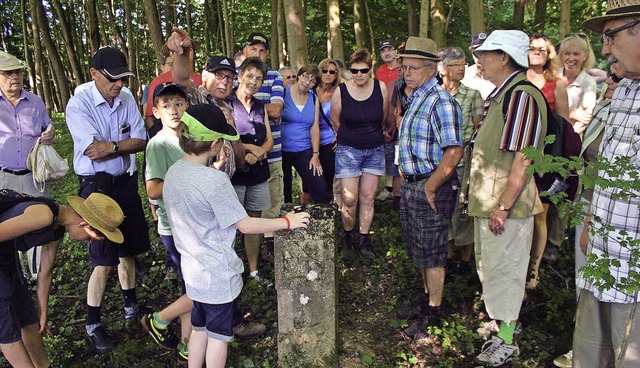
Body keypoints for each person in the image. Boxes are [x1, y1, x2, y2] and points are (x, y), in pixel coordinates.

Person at [163, 103, 310, 368]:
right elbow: (244, 225)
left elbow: (200, 196)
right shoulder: (214, 182)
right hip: (217, 275)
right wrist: (286, 222)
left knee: (199, 329)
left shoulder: (174, 172)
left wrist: (215, 168)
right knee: (219, 337)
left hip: (193, 271)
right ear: (216, 143)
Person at [468, 30, 547, 366]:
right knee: (494, 271)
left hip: (507, 208)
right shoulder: (504, 94)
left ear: (503, 57)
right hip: (492, 204)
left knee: (508, 273)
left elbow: (523, 158)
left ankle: (507, 342)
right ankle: (502, 330)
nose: (479, 60)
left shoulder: (521, 96)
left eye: (485, 54)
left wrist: (502, 206)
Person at [65, 46, 151, 354]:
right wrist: (121, 145)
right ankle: (93, 323)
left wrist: (112, 146)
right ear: (93, 74)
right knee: (102, 255)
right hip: (96, 184)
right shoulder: (79, 104)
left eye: (123, 79)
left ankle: (131, 306)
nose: (118, 85)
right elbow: (92, 150)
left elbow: (141, 140)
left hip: (125, 182)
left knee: (128, 247)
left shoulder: (126, 98)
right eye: (112, 79)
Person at [571, 4, 640, 366]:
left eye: (611, 37)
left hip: (635, 275)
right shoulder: (625, 90)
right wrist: (588, 225)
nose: (607, 48)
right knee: (591, 354)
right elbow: (603, 166)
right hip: (602, 254)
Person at [0, 189, 124, 368]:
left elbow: (45, 271)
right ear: (85, 225)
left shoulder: (56, 226)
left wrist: (42, 312)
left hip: (6, 257)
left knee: (27, 315)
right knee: (5, 320)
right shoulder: (43, 215)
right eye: (90, 240)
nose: (86, 242)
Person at [395, 37, 464, 339]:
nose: (406, 73)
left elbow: (454, 151)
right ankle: (426, 301)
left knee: (433, 252)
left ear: (432, 68)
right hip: (413, 183)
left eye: (412, 68)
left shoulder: (440, 101)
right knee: (418, 248)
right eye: (404, 67)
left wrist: (432, 187)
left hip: (431, 185)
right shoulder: (415, 98)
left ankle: (434, 312)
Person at [552, 69, 621, 368]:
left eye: (616, 78)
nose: (610, 83)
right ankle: (587, 349)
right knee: (587, 280)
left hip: (614, 212)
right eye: (611, 77)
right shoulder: (607, 107)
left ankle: (613, 351)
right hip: (588, 201)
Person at [142, 82, 191, 364]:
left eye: (178, 104)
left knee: (190, 285)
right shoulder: (158, 143)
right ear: (156, 111)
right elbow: (152, 189)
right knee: (199, 287)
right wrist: (189, 178)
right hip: (175, 226)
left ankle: (186, 342)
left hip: (194, 221)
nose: (173, 110)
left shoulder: (189, 135)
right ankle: (159, 320)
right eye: (166, 105)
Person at [0, 51, 56, 278]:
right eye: (8, 73)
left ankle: (37, 274)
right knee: (9, 225)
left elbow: (47, 125)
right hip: (4, 177)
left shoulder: (34, 101)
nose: (15, 77)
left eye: (18, 72)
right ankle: (16, 273)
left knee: (40, 222)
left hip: (34, 176)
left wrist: (49, 133)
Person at [330, 48, 389, 260]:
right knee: (350, 199)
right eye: (354, 71)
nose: (359, 75)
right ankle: (348, 237)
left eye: (364, 70)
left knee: (368, 197)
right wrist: (351, 135)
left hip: (374, 149)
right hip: (348, 150)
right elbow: (335, 119)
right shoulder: (341, 91)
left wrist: (370, 133)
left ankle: (364, 240)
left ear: (370, 69)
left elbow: (383, 117)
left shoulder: (381, 88)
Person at [525, 33, 572, 289]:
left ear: (549, 54)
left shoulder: (558, 84)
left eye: (541, 49)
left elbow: (564, 126)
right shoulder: (517, 79)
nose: (535, 52)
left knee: (540, 216)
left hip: (546, 158)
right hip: (519, 154)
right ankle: (519, 261)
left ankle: (534, 271)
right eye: (531, 48)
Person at [239, 32, 285, 264]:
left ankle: (267, 245)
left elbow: (277, 110)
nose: (258, 53)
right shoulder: (237, 80)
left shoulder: (275, 76)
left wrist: (254, 107)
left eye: (262, 50)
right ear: (245, 51)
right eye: (253, 49)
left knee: (270, 201)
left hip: (271, 153)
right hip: (237, 158)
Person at [438, 46, 483, 279]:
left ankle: (466, 261)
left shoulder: (472, 95)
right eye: (454, 65)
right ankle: (447, 255)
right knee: (443, 208)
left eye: (463, 64)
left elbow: (479, 129)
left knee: (463, 208)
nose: (460, 69)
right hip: (440, 160)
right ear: (443, 69)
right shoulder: (436, 95)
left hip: (464, 161)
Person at [228, 57, 274, 282]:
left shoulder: (259, 106)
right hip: (233, 175)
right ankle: (230, 271)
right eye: (249, 76)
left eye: (258, 78)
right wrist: (249, 148)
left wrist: (259, 152)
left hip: (258, 173)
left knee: (254, 221)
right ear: (239, 76)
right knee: (230, 224)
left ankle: (254, 270)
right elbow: (225, 136)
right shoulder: (227, 104)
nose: (253, 82)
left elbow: (270, 140)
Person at [280, 64, 332, 204]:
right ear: (299, 75)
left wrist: (315, 154)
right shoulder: (283, 94)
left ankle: (322, 222)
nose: (307, 82)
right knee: (283, 191)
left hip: (304, 149)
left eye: (313, 80)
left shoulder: (313, 98)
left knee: (320, 187)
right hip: (281, 150)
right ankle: (284, 223)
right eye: (305, 76)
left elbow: (315, 128)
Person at [376, 40, 403, 207]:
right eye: (383, 51)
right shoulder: (380, 71)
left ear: (396, 52)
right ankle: (388, 186)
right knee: (388, 152)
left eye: (389, 50)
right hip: (386, 115)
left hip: (401, 113)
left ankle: (400, 190)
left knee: (400, 152)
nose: (387, 53)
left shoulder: (403, 67)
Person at [556, 34, 597, 136]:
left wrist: (566, 138)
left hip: (570, 136)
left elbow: (584, 119)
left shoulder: (588, 83)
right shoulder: (552, 76)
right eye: (567, 53)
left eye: (576, 54)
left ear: (585, 56)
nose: (571, 58)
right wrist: (572, 114)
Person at [315, 58, 339, 206]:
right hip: (312, 142)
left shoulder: (339, 92)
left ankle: (330, 211)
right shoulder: (311, 91)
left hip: (331, 142)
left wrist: (341, 137)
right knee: (314, 181)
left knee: (329, 180)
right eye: (324, 70)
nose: (328, 74)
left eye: (332, 71)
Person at [461, 32, 496, 100]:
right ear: (471, 51)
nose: (480, 56)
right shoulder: (464, 74)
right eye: (476, 51)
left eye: (484, 51)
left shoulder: (499, 75)